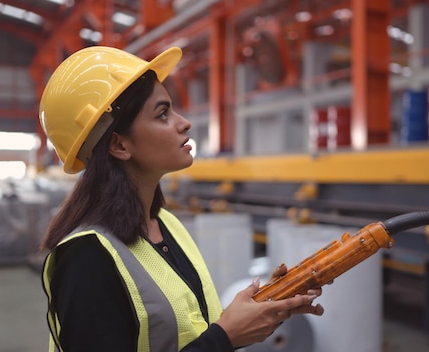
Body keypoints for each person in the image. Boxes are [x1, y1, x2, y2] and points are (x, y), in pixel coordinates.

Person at [38, 46, 325, 352]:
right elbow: (213, 340)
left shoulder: (165, 223)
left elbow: (192, 328)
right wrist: (225, 338)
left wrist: (265, 306)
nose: (184, 123)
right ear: (119, 145)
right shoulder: (88, 259)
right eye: (162, 114)